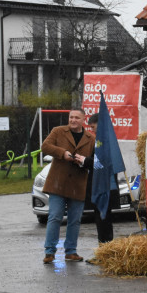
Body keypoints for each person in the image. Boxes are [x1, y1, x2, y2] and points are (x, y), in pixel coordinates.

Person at [41, 108, 95, 264]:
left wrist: (83, 161)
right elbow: (45, 146)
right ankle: (49, 252)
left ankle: (71, 251)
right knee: (55, 217)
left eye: (77, 118)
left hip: (78, 184)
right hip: (58, 183)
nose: (73, 120)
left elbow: (93, 160)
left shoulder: (90, 138)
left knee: (75, 220)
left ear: (83, 120)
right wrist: (62, 153)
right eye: (71, 117)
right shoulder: (58, 131)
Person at [84, 113, 118, 248]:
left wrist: (84, 161)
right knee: (101, 219)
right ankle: (104, 247)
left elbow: (101, 164)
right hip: (100, 185)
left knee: (104, 219)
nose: (92, 130)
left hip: (104, 186)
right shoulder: (102, 139)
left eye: (93, 127)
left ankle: (106, 248)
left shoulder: (105, 140)